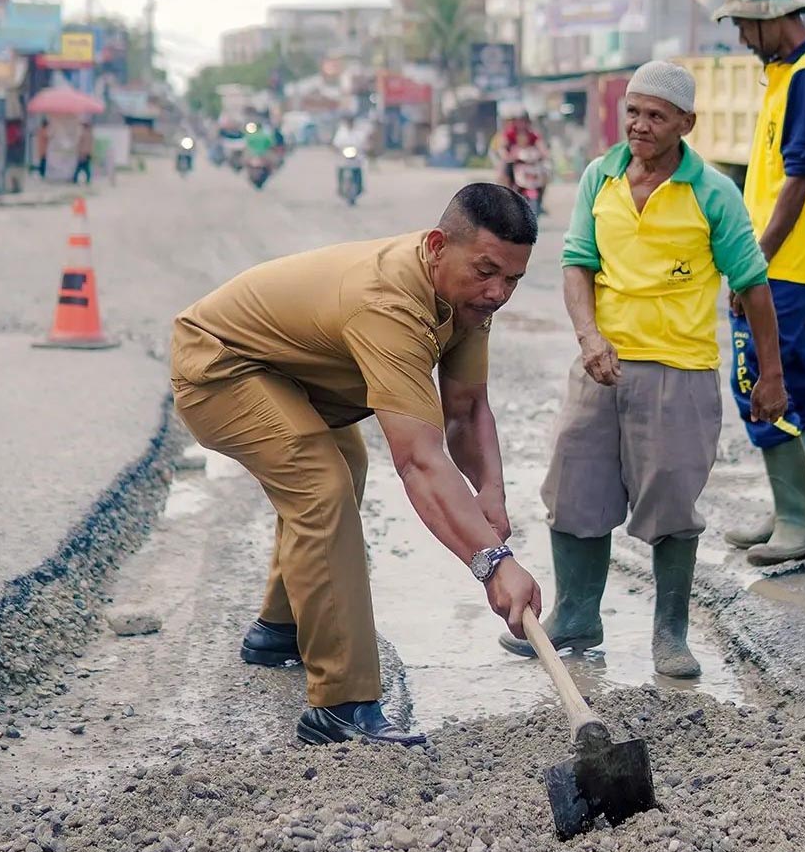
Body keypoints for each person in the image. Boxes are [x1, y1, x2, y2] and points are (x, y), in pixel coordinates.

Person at [170, 184, 542, 746]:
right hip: (219, 366)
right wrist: (492, 563)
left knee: (345, 458)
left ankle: (281, 628)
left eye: (513, 279)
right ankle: (340, 704)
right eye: (487, 272)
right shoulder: (390, 302)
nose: (498, 294)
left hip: (287, 373)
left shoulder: (463, 296)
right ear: (438, 245)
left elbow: (465, 410)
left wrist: (490, 489)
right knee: (319, 484)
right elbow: (418, 460)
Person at [498, 61, 788, 678]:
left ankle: (670, 635)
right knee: (572, 489)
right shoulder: (598, 177)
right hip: (600, 366)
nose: (640, 125)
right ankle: (577, 614)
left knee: (673, 505)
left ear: (686, 123)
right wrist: (588, 337)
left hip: (678, 372)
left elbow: (753, 285)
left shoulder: (712, 192)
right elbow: (577, 264)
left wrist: (772, 376)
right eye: (633, 111)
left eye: (656, 115)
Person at [713, 0, 805, 567]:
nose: (740, 36)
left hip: (779, 267)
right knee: (797, 386)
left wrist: (753, 266)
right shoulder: (785, 74)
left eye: (743, 24)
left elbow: (800, 177)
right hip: (783, 264)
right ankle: (796, 513)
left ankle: (797, 522)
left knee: (759, 382)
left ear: (770, 19)